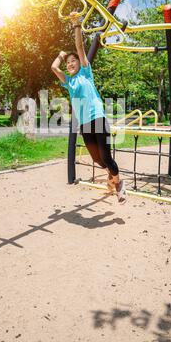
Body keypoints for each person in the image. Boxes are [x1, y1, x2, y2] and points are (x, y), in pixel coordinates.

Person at [51, 12, 126, 203]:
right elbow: (53, 68)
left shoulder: (85, 72)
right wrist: (60, 56)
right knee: (97, 160)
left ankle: (119, 184)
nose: (70, 64)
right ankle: (112, 177)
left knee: (106, 157)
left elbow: (79, 47)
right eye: (68, 63)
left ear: (79, 63)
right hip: (84, 123)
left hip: (97, 117)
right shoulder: (69, 81)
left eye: (72, 61)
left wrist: (77, 25)